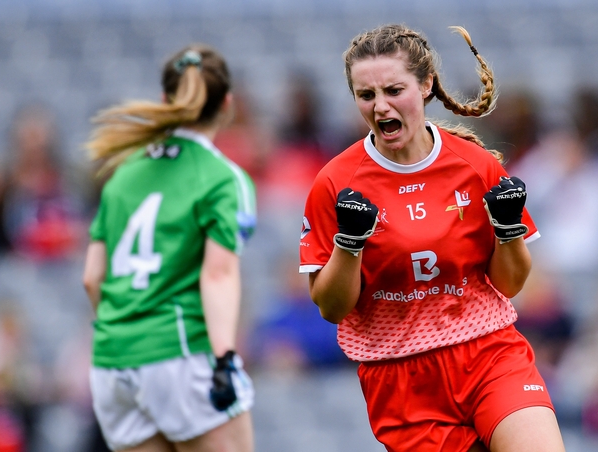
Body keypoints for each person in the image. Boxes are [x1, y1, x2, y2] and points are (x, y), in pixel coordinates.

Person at [299, 24, 566, 452]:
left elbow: (511, 284)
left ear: (425, 86)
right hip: (402, 379)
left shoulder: (474, 165)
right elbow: (332, 308)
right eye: (366, 96)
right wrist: (349, 245)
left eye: (393, 90)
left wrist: (508, 230)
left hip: (489, 353)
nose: (380, 106)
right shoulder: (335, 183)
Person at [82, 44, 256, 452]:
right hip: (181, 354)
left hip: (112, 361)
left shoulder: (123, 173)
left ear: (165, 100)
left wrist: (127, 335)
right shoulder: (222, 178)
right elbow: (218, 274)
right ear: (226, 105)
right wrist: (224, 357)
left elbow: (92, 278)